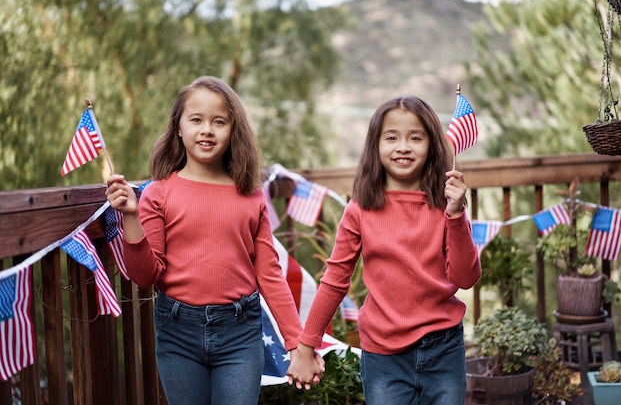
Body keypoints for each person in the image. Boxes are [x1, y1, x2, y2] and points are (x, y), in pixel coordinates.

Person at [105, 75, 323, 405]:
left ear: (233, 129)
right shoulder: (158, 194)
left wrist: (297, 344)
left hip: (241, 331)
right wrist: (131, 217)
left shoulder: (251, 196)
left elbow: (269, 274)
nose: (207, 129)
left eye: (218, 121)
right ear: (178, 127)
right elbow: (145, 275)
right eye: (196, 120)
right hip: (177, 331)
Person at [286, 95, 482, 404]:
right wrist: (307, 346)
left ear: (431, 145)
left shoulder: (446, 205)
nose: (403, 146)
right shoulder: (360, 209)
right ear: (375, 146)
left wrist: (456, 216)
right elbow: (336, 279)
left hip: (444, 350)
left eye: (415, 138)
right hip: (384, 356)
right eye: (391, 137)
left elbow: (466, 277)